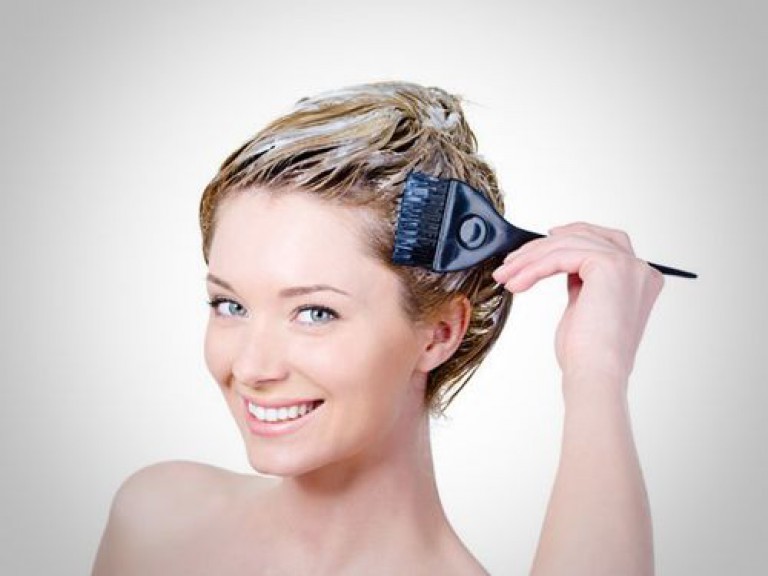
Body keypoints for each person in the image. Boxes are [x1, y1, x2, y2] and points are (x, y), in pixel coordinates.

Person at [92, 81, 661, 575]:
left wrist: (596, 371)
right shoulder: (158, 520)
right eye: (230, 305)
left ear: (439, 334)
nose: (251, 366)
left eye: (315, 313)